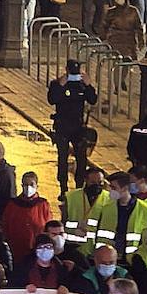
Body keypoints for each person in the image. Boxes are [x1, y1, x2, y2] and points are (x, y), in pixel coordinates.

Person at [48, 59, 97, 196]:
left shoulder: (82, 85)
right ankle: (63, 188)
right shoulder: (57, 84)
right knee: (62, 159)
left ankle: (79, 188)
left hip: (78, 128)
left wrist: (89, 85)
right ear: (67, 70)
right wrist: (60, 85)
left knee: (81, 160)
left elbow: (93, 99)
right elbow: (52, 99)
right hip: (62, 127)